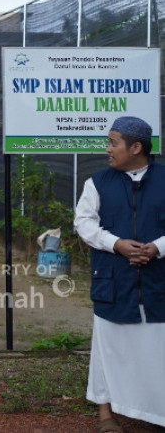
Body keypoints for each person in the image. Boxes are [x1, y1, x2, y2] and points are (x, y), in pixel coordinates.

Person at [74, 116, 165, 433]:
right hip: (113, 281)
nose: (108, 149)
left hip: (157, 284)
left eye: (113, 143)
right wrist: (116, 244)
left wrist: (157, 248)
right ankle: (106, 415)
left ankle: (154, 412)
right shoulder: (97, 182)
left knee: (157, 350)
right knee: (108, 349)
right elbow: (84, 224)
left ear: (136, 147)